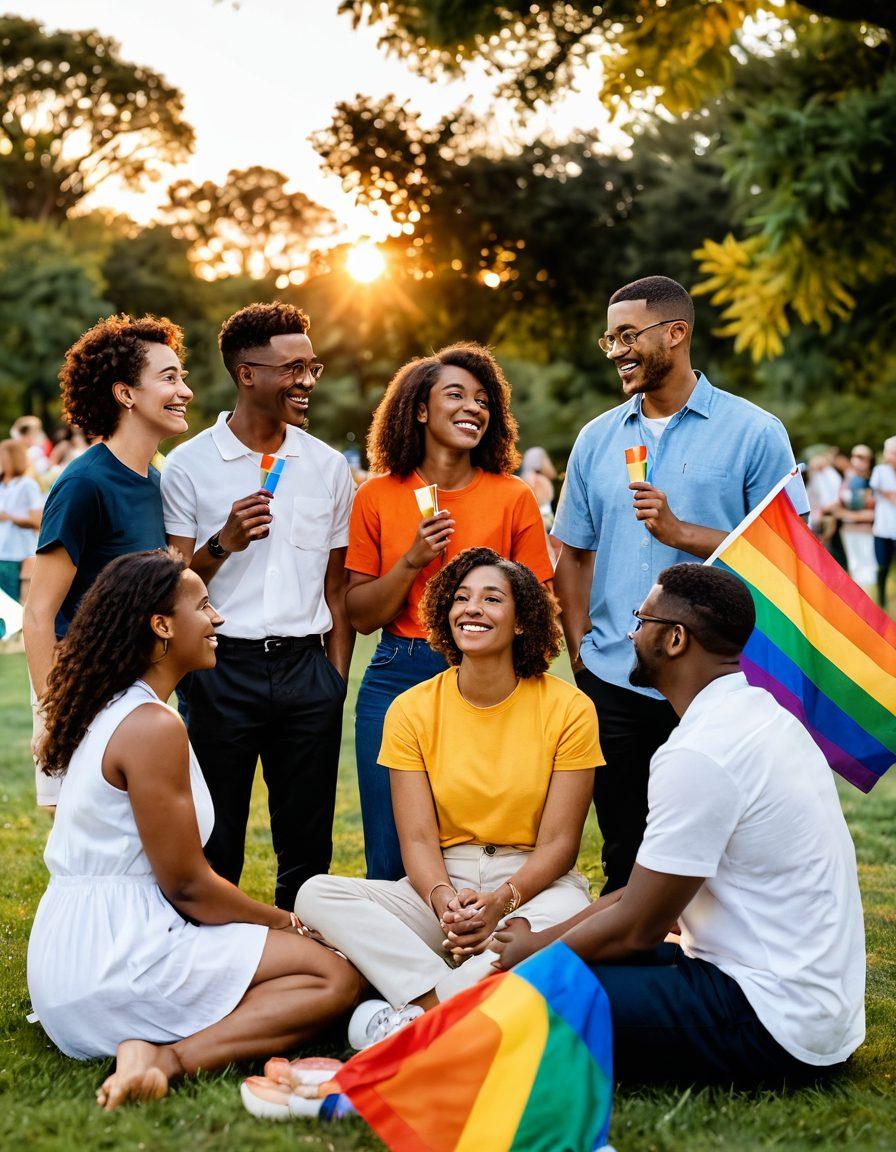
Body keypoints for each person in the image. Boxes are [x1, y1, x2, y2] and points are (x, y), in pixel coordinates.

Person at [493, 563, 865, 1088]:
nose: (629, 632)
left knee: (528, 997)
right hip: (805, 1002)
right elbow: (643, 893)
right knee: (562, 969)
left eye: (640, 618)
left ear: (674, 638)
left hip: (770, 1019)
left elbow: (640, 927)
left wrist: (535, 954)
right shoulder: (764, 716)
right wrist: (542, 937)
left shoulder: (701, 752)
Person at [27, 549, 361, 1109]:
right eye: (204, 605)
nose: (219, 619)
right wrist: (287, 923)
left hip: (72, 955)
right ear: (161, 626)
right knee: (333, 977)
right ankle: (167, 1057)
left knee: (291, 967)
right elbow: (187, 887)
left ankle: (157, 1036)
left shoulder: (107, 706)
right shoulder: (152, 725)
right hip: (116, 960)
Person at [551, 275, 808, 894]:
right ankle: (633, 989)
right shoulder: (596, 438)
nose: (615, 351)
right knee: (624, 857)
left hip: (717, 685)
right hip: (614, 678)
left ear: (676, 332)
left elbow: (790, 558)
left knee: (723, 864)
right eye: (608, 338)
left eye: (627, 335)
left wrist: (681, 531)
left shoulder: (756, 432)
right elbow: (574, 555)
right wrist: (582, 653)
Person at [297, 548, 602, 1049]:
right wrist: (445, 904)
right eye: (461, 598)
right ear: (445, 614)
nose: (472, 609)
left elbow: (560, 845)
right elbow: (416, 840)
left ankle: (420, 1014)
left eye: (491, 599)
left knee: (558, 923)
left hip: (533, 885)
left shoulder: (570, 708)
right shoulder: (411, 709)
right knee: (316, 894)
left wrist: (501, 903)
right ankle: (454, 1004)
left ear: (523, 619)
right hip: (444, 888)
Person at [161, 302, 355, 911]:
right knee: (217, 839)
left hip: (307, 671)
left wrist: (335, 677)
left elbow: (338, 587)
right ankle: (214, 970)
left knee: (308, 845)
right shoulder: (188, 466)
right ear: (247, 374)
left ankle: (308, 967)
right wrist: (223, 544)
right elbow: (171, 586)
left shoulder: (326, 466)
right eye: (292, 368)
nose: (307, 381)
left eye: (312, 366)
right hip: (221, 670)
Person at [346, 344, 554, 881]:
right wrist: (410, 561)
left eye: (483, 400)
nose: (473, 407)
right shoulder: (376, 496)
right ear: (420, 409)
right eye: (455, 395)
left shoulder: (513, 497)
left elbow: (539, 603)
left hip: (491, 680)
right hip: (398, 673)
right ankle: (394, 959)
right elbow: (360, 614)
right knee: (392, 851)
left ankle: (478, 950)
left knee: (489, 840)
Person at [23, 314, 193, 810]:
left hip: (139, 694)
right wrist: (57, 719)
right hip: (84, 696)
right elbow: (38, 615)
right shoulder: (84, 484)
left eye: (182, 376)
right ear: (125, 394)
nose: (184, 390)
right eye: (169, 377)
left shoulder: (157, 481)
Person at [0, 439, 42, 606]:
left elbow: (37, 520)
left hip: (17, 555)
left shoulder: (28, 485)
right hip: (1, 554)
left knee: (13, 606)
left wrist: (9, 517)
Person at [836, 444, 876, 587]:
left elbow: (874, 514)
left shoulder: (872, 482)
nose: (856, 460)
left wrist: (847, 515)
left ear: (869, 460)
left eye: (861, 457)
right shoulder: (848, 481)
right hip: (847, 532)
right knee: (853, 570)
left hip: (866, 532)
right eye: (854, 456)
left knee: (868, 572)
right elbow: (838, 506)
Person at [870, 436, 896, 609]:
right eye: (891, 452)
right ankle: (881, 601)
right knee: (882, 567)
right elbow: (877, 489)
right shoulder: (880, 471)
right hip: (883, 529)